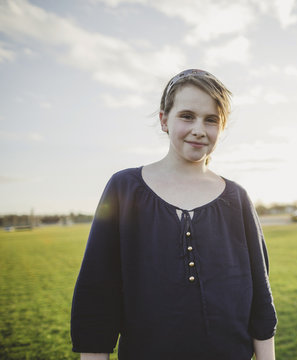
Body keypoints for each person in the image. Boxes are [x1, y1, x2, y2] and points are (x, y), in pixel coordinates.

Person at [71, 69, 277, 360]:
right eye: (187, 116)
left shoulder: (237, 198)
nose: (199, 129)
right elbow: (97, 294)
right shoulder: (124, 188)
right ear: (163, 119)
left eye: (211, 120)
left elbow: (260, 297)